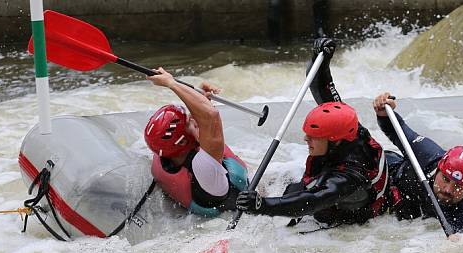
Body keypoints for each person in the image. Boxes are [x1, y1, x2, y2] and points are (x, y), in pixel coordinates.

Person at [235, 39, 389, 227]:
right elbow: (320, 86)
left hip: (351, 214)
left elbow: (313, 200)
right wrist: (320, 57)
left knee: (297, 194)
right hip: (329, 185)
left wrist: (262, 206)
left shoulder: (349, 176)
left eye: (314, 136)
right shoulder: (344, 123)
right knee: (292, 189)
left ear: (335, 141)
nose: (306, 139)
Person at [144, 67, 249, 217]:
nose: (195, 119)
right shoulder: (204, 167)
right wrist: (171, 83)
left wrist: (200, 98)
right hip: (236, 212)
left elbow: (204, 118)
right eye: (192, 123)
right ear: (181, 142)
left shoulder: (165, 153)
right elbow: (210, 116)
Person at [372, 92, 463, 234]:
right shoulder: (427, 153)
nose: (448, 190)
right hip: (387, 177)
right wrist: (384, 113)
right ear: (438, 170)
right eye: (445, 179)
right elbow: (396, 130)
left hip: (406, 216)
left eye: (458, 186)